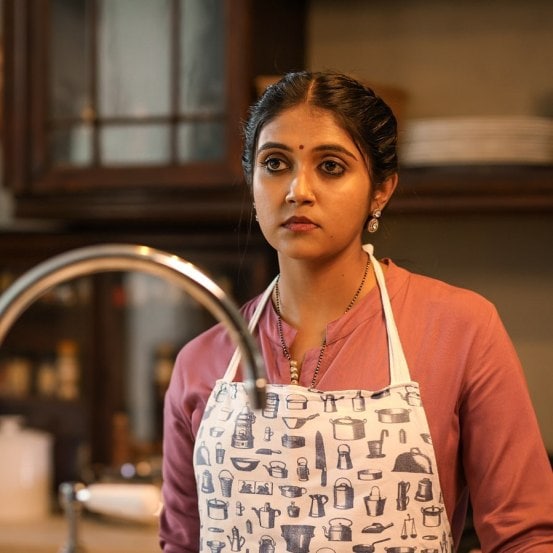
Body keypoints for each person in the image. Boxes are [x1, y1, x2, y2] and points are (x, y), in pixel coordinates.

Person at [159, 71, 553, 552]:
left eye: (330, 166)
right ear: (252, 182)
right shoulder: (202, 360)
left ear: (381, 190)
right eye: (276, 163)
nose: (297, 190)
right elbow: (180, 542)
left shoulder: (461, 330)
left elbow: (525, 537)